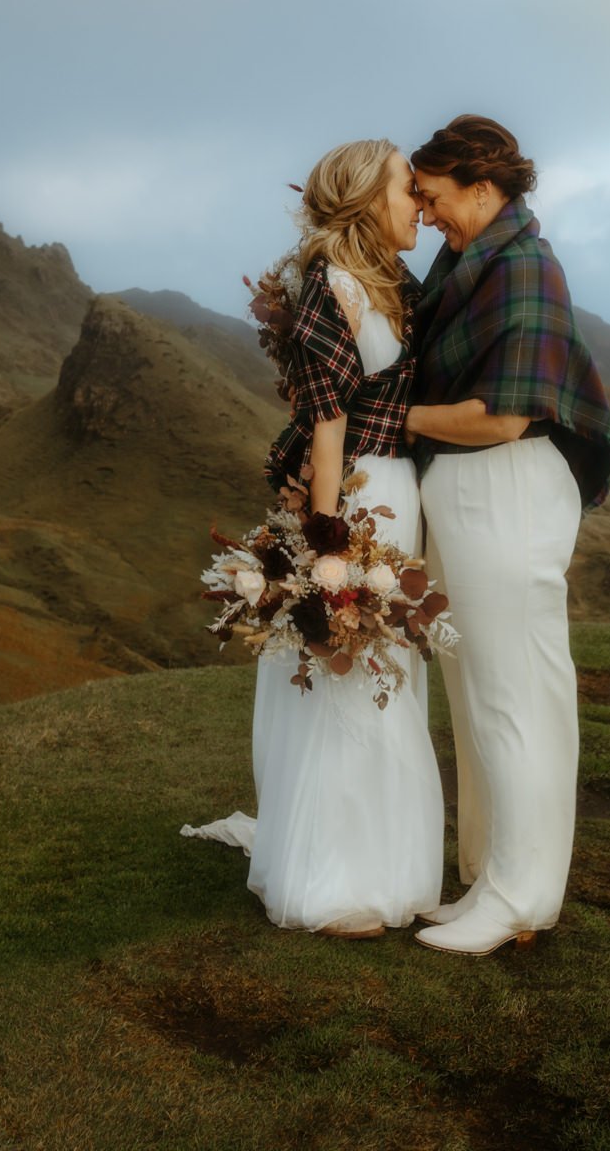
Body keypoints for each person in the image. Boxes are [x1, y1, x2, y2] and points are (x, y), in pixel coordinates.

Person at [182, 139, 443, 938]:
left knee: (388, 674)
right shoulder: (328, 286)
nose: (421, 204)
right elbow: (327, 426)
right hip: (358, 493)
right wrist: (329, 545)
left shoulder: (397, 280)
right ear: (368, 196)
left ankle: (391, 863)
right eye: (408, 188)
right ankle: (332, 880)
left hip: (402, 491)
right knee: (342, 675)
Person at [404, 115, 610, 956]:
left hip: (508, 491)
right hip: (463, 494)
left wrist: (386, 418)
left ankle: (523, 897)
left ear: (483, 188)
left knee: (516, 699)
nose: (425, 215)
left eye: (433, 197)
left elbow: (500, 421)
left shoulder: (525, 267)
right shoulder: (469, 262)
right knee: (475, 695)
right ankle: (489, 878)